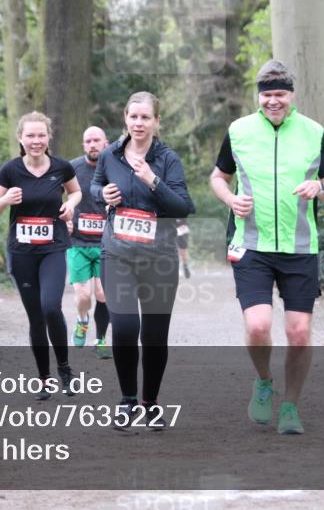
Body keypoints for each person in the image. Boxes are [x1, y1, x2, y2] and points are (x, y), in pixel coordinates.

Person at [209, 59, 324, 435]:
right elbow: (219, 177)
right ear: (259, 97)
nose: (273, 102)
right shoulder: (238, 132)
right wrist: (229, 199)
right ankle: (264, 381)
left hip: (300, 247)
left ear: (292, 95)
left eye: (280, 95)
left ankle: (291, 406)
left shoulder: (313, 133)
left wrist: (320, 187)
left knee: (299, 332)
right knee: (257, 325)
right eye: (267, 95)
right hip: (251, 244)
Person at [91, 92, 194, 429]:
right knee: (124, 326)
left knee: (153, 334)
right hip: (117, 253)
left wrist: (152, 179)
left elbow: (181, 206)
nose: (138, 123)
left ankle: (150, 402)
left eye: (145, 118)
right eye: (133, 117)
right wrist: (101, 194)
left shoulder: (168, 159)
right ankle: (127, 400)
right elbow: (95, 186)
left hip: (159, 257)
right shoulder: (110, 155)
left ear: (156, 122)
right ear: (125, 117)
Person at [0, 112, 81, 399]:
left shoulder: (62, 168)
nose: (36, 141)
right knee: (36, 317)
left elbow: (76, 192)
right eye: (30, 136)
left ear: (48, 137)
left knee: (51, 306)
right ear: (20, 139)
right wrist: (5, 200)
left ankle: (64, 367)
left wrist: (71, 205)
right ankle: (44, 378)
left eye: (41, 135)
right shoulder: (10, 170)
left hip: (52, 248)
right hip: (22, 251)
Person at [67, 126, 112, 359]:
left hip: (106, 243)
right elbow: (55, 195)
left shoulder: (115, 168)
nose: (92, 144)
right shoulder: (72, 168)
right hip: (77, 242)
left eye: (97, 140)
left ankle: (101, 339)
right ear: (83, 144)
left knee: (103, 294)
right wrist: (63, 217)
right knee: (84, 296)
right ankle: (82, 319)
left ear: (106, 143)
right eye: (88, 141)